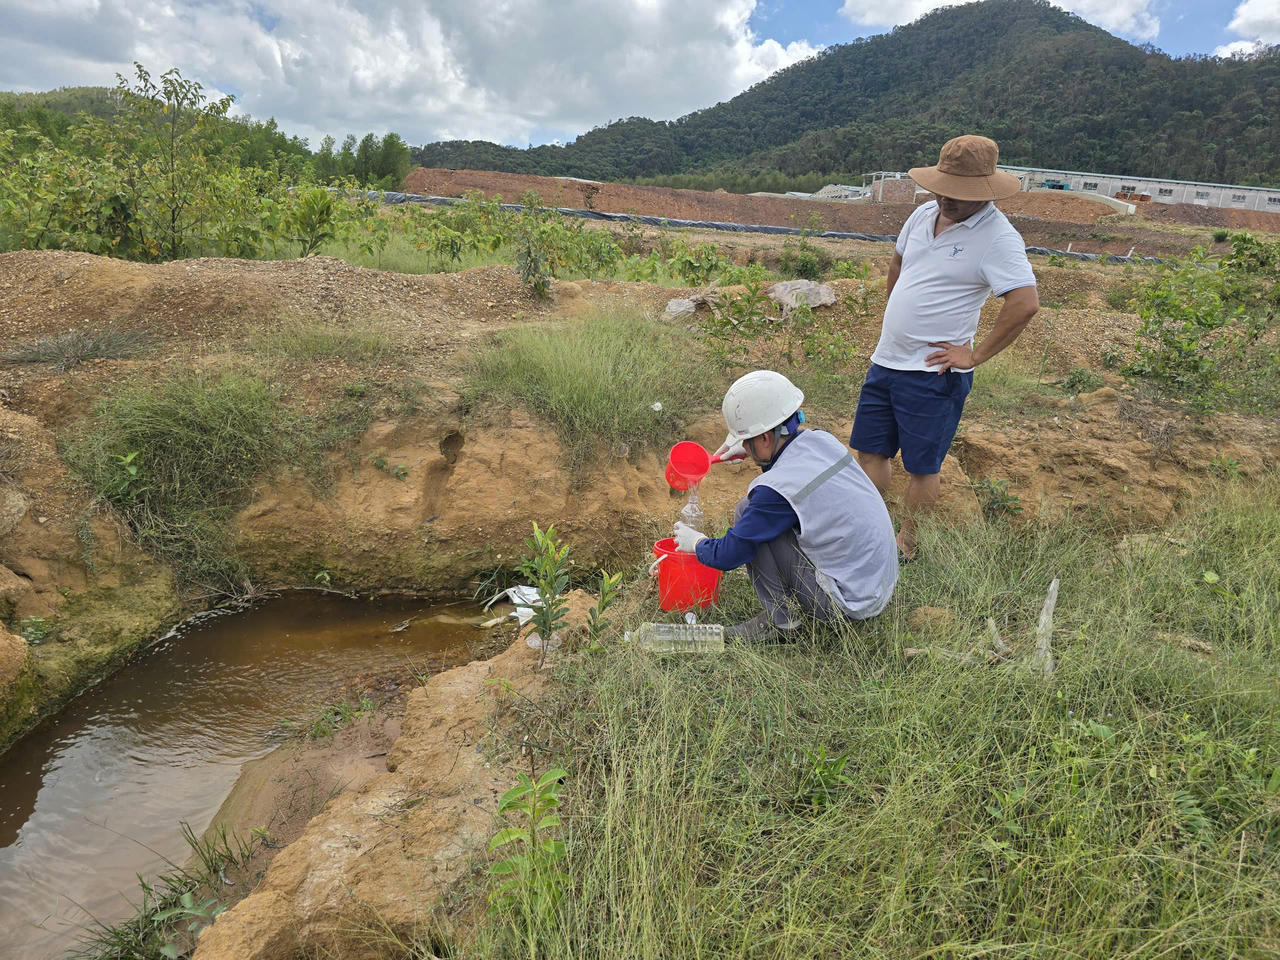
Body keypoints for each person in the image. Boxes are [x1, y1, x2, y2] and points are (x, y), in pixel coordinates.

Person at [850, 134, 1039, 558]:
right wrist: (896, 314)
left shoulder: (998, 237)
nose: (946, 199)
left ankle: (907, 544)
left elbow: (1025, 303)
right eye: (942, 188)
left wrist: (975, 355)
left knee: (921, 466)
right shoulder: (922, 214)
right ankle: (870, 531)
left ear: (985, 190)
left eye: (959, 192)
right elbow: (898, 261)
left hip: (933, 374)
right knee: (871, 451)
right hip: (887, 362)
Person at [672, 370, 897, 641]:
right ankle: (792, 612)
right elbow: (791, 471)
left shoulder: (775, 492)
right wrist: (753, 450)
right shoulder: (821, 440)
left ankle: (783, 623)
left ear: (765, 439)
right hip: (876, 585)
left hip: (847, 606)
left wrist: (697, 543)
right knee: (753, 511)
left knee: (750, 517)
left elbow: (729, 554)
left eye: (746, 441)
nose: (744, 447)